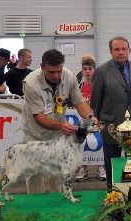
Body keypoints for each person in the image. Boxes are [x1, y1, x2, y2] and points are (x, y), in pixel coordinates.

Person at [21, 49, 98, 194]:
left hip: (57, 135)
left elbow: (79, 102)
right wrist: (61, 125)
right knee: (34, 174)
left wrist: (91, 118)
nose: (56, 75)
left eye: (59, 71)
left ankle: (58, 208)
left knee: (58, 172)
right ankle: (36, 210)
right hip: (34, 135)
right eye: (51, 72)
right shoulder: (31, 83)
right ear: (42, 66)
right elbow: (39, 117)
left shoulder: (69, 77)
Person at [90, 36, 131, 189]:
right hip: (111, 126)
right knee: (112, 167)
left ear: (129, 50)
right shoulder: (101, 71)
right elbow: (96, 100)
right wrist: (99, 120)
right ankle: (112, 198)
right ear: (110, 52)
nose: (121, 52)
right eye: (117, 49)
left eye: (124, 49)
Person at [74, 57, 107, 182]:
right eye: (85, 69)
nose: (87, 71)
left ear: (94, 70)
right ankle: (83, 169)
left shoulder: (99, 85)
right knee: (83, 144)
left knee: (99, 143)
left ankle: (101, 167)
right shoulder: (80, 86)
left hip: (97, 118)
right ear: (82, 71)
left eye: (90, 69)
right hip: (84, 119)